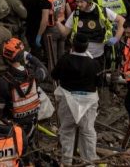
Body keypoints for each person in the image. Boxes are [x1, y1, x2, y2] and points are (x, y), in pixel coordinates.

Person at [57, 0, 124, 85]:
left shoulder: (102, 12)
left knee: (95, 81)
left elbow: (121, 20)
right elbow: (65, 32)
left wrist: (116, 38)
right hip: (79, 57)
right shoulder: (76, 14)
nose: (78, 4)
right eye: (77, 1)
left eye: (81, 2)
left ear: (89, 2)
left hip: (97, 58)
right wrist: (56, 22)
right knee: (80, 81)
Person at [0, 38, 46, 162]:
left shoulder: (3, 81)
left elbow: (0, 110)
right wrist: (29, 57)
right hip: (32, 123)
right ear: (22, 55)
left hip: (13, 127)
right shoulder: (33, 74)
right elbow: (43, 69)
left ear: (6, 58)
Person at [52, 36, 99, 166]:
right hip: (88, 102)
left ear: (72, 45)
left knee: (67, 131)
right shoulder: (93, 64)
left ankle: (66, 162)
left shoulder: (65, 60)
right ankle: (89, 163)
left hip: (68, 100)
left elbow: (54, 75)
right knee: (88, 132)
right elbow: (100, 82)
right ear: (87, 46)